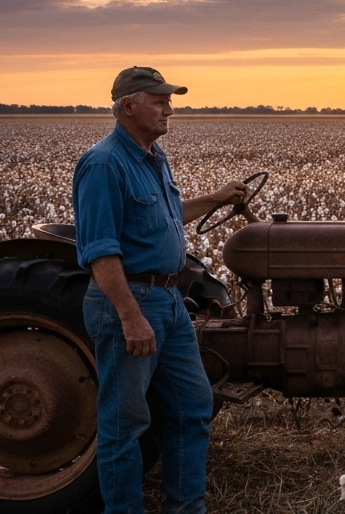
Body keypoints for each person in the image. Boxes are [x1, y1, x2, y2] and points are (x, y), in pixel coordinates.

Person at [73, 66, 254, 514]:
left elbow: (168, 216)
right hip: (132, 302)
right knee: (124, 423)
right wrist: (130, 315)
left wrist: (215, 198)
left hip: (170, 302)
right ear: (127, 106)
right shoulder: (104, 164)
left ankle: (186, 508)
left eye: (169, 100)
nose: (169, 108)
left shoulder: (153, 157)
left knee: (192, 407)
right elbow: (101, 252)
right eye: (159, 100)